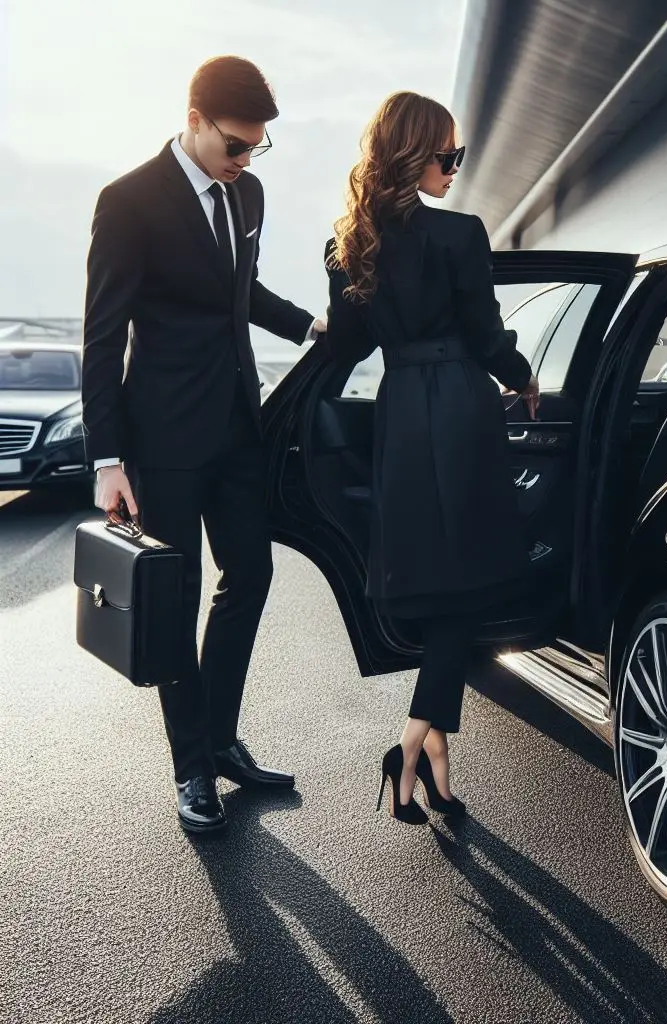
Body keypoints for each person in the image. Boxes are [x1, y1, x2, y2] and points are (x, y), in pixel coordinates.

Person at [82, 56, 325, 836]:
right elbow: (102, 334)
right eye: (234, 145)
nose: (245, 160)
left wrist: (310, 326)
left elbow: (240, 290)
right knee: (176, 598)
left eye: (256, 149)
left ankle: (220, 739)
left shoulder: (248, 192)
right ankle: (190, 764)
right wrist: (108, 459)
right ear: (193, 120)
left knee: (250, 573)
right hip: (164, 436)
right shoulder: (127, 201)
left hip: (236, 427)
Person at [323, 91, 540, 825]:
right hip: (460, 409)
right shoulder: (459, 235)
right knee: (470, 582)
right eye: (448, 155)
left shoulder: (350, 244)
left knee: (441, 581)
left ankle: (431, 761)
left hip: (402, 416)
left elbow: (345, 344)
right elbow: (485, 332)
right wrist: (523, 376)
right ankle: (416, 740)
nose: (456, 167)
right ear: (415, 155)